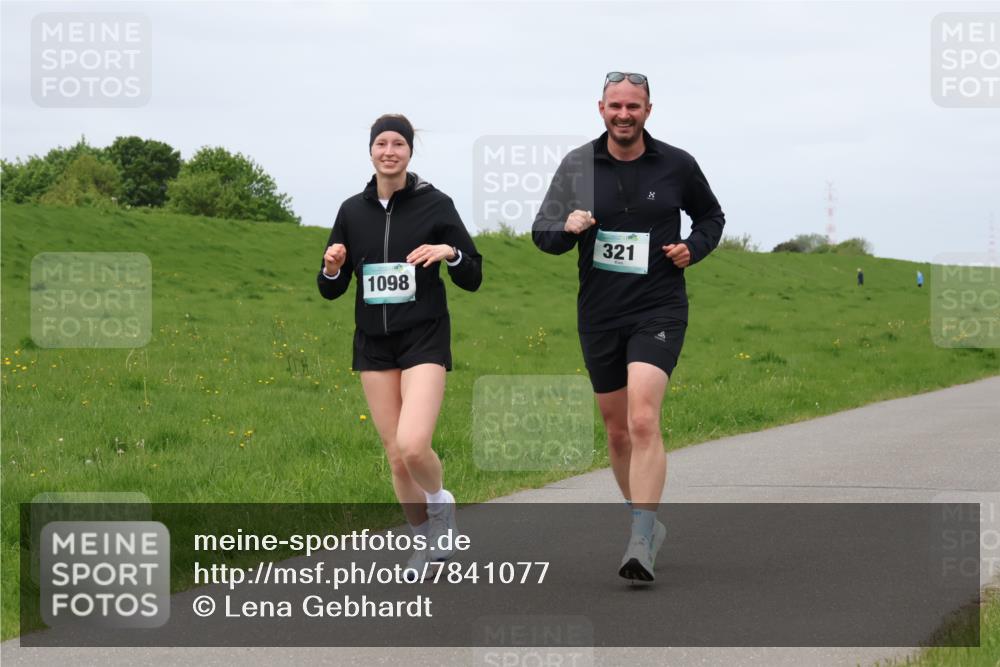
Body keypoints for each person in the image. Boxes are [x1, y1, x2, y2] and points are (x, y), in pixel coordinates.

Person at [532, 72, 725, 582]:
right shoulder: (577, 165)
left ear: (648, 110)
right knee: (617, 433)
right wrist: (565, 227)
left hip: (658, 307)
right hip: (599, 313)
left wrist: (693, 248)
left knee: (643, 420)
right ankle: (645, 521)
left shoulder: (677, 164)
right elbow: (542, 235)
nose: (624, 114)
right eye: (615, 105)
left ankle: (641, 536)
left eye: (633, 106)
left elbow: (711, 217)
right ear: (600, 108)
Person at [317, 114, 482, 581]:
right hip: (373, 343)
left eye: (398, 144)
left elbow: (474, 273)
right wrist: (332, 267)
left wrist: (449, 254)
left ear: (410, 152)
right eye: (381, 144)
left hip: (424, 337)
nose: (389, 151)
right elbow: (330, 289)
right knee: (394, 454)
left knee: (413, 446)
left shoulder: (435, 204)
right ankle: (423, 543)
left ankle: (440, 504)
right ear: (370, 151)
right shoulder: (352, 211)